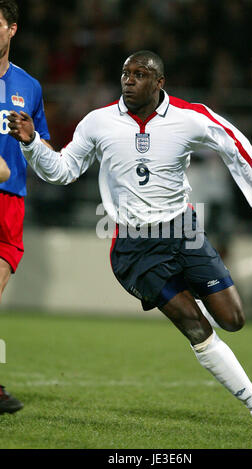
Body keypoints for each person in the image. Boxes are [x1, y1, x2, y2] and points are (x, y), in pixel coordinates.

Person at [8, 50, 252, 431]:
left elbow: (239, 149)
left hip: (183, 231)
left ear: (159, 83)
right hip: (134, 246)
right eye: (125, 73)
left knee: (234, 320)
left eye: (140, 74)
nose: (129, 80)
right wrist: (31, 144)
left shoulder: (190, 117)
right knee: (195, 326)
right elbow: (62, 171)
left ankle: (200, 305)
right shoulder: (99, 122)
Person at [0, 0, 50, 415]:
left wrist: (33, 139)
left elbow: (43, 150)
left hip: (10, 201)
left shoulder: (29, 87)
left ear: (12, 30)